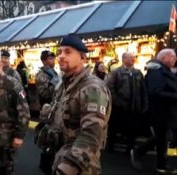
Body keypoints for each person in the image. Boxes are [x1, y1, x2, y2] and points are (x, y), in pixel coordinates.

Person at [37, 34, 111, 175]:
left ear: (82, 57)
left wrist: (67, 168)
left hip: (78, 166)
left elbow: (92, 134)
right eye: (59, 52)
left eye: (68, 52)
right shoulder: (64, 84)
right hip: (59, 156)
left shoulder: (92, 87)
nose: (61, 56)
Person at [131, 49, 177, 173]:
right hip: (160, 111)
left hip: (167, 111)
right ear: (163, 58)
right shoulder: (157, 72)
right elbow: (155, 92)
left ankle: (161, 164)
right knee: (164, 136)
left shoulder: (164, 71)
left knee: (163, 137)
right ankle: (139, 151)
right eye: (172, 56)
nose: (175, 59)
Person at [106, 52, 148, 154]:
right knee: (114, 127)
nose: (133, 59)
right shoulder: (116, 72)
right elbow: (109, 88)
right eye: (130, 58)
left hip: (135, 106)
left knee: (132, 129)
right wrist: (117, 101)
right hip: (120, 107)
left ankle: (130, 149)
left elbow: (143, 89)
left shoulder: (138, 73)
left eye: (134, 57)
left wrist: (144, 103)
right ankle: (110, 148)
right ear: (124, 58)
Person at [35, 50, 59, 175]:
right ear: (44, 61)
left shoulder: (54, 72)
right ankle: (44, 164)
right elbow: (43, 94)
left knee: (53, 136)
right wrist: (53, 85)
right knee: (47, 136)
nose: (52, 61)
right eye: (50, 59)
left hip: (55, 109)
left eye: (53, 59)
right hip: (47, 109)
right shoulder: (42, 75)